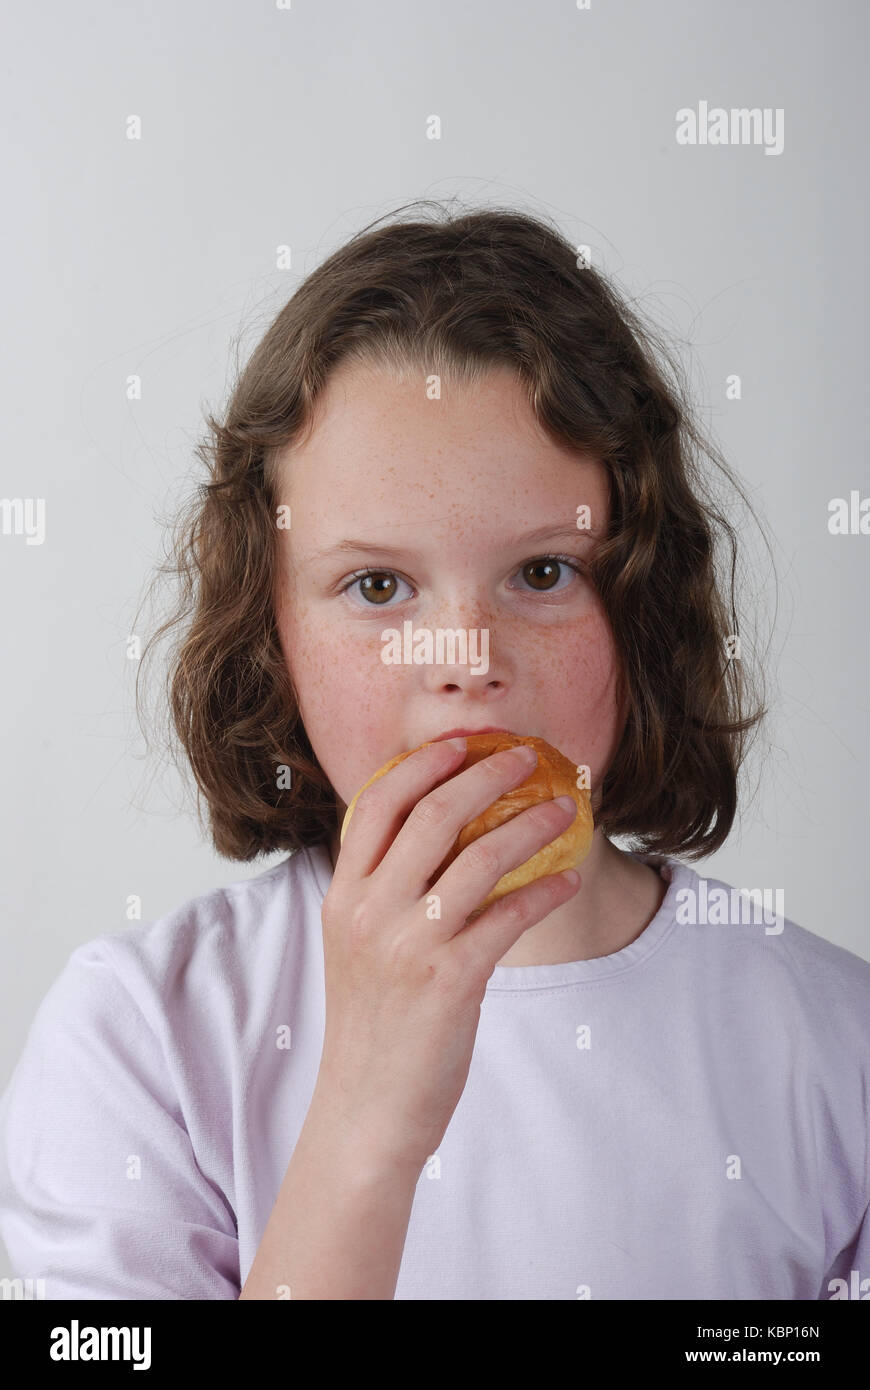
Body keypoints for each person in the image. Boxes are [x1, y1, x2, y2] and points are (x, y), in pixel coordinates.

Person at [1, 204, 868, 1301]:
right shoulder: (138, 1042)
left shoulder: (839, 1051)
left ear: (642, 603)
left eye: (543, 573)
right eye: (377, 586)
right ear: (271, 633)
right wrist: (367, 1122)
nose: (466, 659)